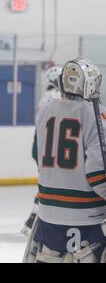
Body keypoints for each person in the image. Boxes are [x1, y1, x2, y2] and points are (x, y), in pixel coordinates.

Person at [29, 58, 106, 263]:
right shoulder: (99, 115)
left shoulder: (45, 110)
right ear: (90, 83)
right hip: (85, 216)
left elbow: (37, 153)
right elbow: (99, 175)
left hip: (47, 213)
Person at [22, 66, 63, 236]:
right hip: (47, 146)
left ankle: (34, 220)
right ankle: (34, 221)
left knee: (50, 183)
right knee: (50, 184)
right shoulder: (55, 97)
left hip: (43, 145)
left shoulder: (48, 96)